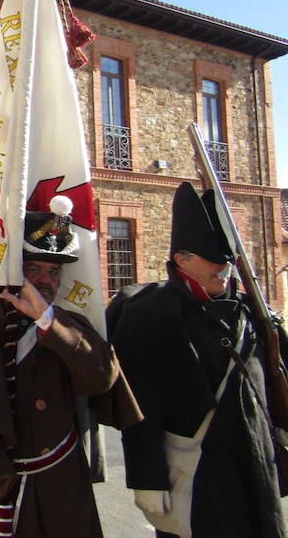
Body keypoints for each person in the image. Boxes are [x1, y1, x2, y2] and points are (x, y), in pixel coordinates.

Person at [0, 196, 142, 537]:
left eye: (53, 272)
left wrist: (49, 323)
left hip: (63, 486)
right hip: (1, 495)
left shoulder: (67, 323)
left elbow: (102, 377)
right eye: (33, 269)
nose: (44, 280)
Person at [108, 181, 287, 538]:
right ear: (182, 259)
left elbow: (272, 373)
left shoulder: (250, 309)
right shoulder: (150, 314)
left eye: (227, 262)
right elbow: (139, 407)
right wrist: (147, 477)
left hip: (256, 460)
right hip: (198, 470)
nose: (224, 270)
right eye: (215, 261)